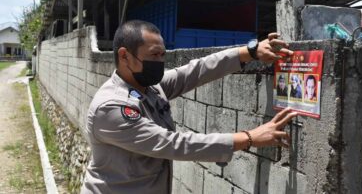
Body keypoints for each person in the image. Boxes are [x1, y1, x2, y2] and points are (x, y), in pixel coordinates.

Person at [81, 20, 297, 194]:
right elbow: (172, 144)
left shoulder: (150, 87)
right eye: (153, 55)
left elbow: (195, 71)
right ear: (124, 56)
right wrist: (248, 138)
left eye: (163, 54)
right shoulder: (111, 107)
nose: (160, 61)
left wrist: (250, 51)